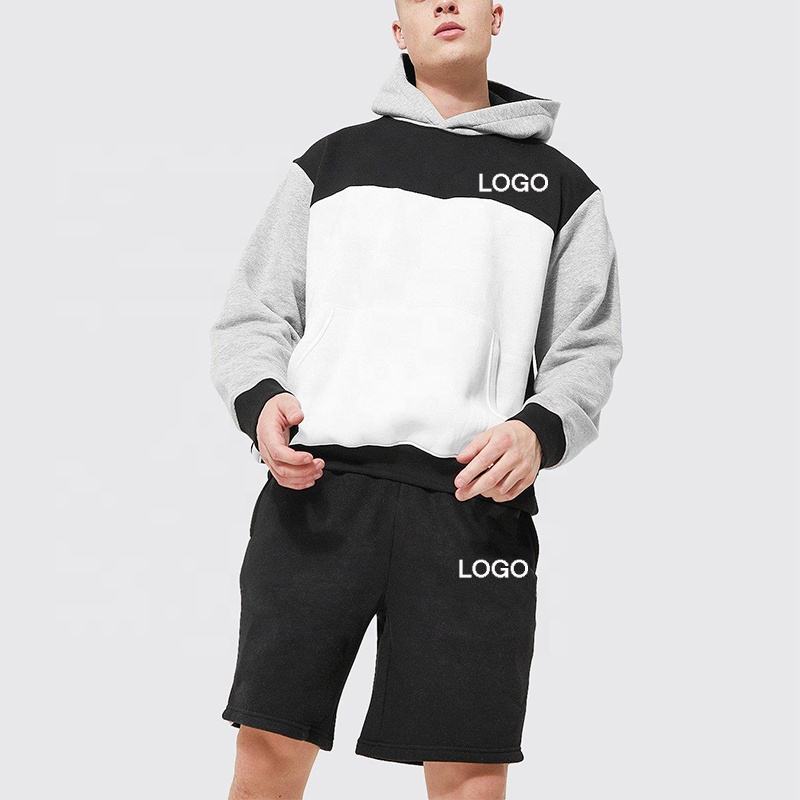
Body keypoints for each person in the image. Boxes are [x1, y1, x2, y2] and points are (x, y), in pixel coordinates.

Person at [209, 2, 623, 797]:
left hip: (474, 504)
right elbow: (256, 313)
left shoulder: (559, 187)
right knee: (269, 747)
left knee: (468, 770)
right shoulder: (330, 163)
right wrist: (260, 400)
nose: (444, 3)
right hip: (317, 494)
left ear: (496, 16)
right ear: (397, 31)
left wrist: (539, 429)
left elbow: (586, 347)